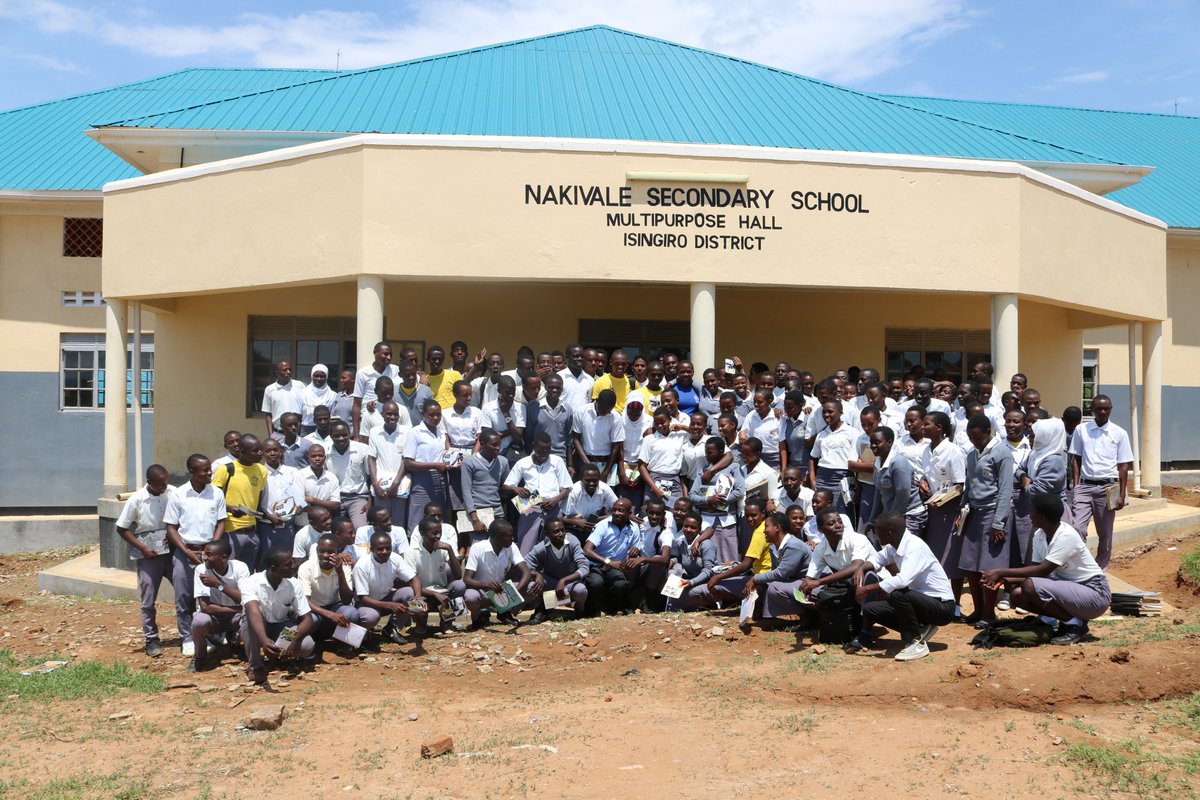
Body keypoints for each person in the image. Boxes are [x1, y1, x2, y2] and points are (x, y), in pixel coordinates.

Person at [984, 494, 1111, 645]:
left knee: (1029, 585)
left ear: (1042, 517)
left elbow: (1041, 571)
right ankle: (1062, 621)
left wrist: (1000, 572)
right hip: (1073, 591)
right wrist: (1004, 579)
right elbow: (1035, 572)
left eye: (1032, 511)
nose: (1029, 515)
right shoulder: (1039, 535)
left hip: (1095, 594)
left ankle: (1075, 625)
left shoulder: (1066, 535)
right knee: (1017, 595)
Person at [850, 511, 955, 660]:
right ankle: (919, 628)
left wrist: (866, 588)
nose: (876, 535)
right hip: (919, 603)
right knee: (871, 609)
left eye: (878, 531)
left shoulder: (914, 546)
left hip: (942, 606)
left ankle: (916, 643)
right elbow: (877, 559)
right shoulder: (894, 545)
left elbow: (902, 580)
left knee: (898, 594)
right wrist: (861, 568)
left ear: (890, 533)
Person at [165, 454, 227, 657]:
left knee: (211, 596)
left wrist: (212, 548)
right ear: (192, 472)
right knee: (184, 598)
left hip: (210, 554)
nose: (210, 473)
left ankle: (211, 633)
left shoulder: (216, 493)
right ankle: (188, 638)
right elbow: (171, 527)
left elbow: (221, 522)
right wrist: (185, 551)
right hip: (185, 552)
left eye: (210, 469)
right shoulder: (179, 494)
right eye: (204, 470)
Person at [959, 413, 1015, 628]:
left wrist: (998, 523)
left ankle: (989, 613)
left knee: (989, 568)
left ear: (987, 432)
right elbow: (969, 484)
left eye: (977, 437)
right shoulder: (972, 454)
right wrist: (962, 510)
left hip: (993, 514)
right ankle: (978, 609)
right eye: (970, 437)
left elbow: (1005, 490)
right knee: (970, 566)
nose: (974, 441)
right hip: (974, 514)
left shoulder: (1002, 453)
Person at [115, 464, 174, 657]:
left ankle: (189, 633)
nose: (164, 486)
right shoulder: (137, 500)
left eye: (166, 482)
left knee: (185, 592)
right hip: (149, 555)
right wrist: (143, 548)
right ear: (149, 482)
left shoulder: (172, 493)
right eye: (160, 484)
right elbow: (122, 528)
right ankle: (151, 638)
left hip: (172, 552)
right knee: (148, 599)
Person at [1069, 394, 1132, 570]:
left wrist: (1121, 494)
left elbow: (1123, 465)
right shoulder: (1081, 430)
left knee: (1105, 534)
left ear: (1111, 409)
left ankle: (1100, 569)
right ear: (1092, 410)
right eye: (1099, 409)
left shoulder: (1119, 433)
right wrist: (1076, 485)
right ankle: (1081, 566)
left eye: (1106, 408)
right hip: (1084, 487)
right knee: (1077, 528)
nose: (1103, 412)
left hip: (1107, 488)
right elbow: (1076, 459)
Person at [238, 547, 317, 685]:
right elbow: (253, 612)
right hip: (257, 626)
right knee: (251, 618)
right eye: (288, 564)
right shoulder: (251, 582)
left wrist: (292, 640)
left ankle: (277, 655)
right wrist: (264, 640)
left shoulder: (294, 584)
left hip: (279, 625)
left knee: (307, 645)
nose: (293, 566)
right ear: (273, 569)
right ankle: (255, 666)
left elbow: (308, 619)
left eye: (292, 562)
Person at [687, 500, 772, 612]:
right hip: (760, 576)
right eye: (747, 515)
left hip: (760, 581)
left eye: (753, 515)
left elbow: (745, 565)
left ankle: (749, 604)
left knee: (697, 591)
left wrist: (718, 577)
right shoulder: (762, 528)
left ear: (763, 514)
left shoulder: (759, 533)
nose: (749, 519)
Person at [922, 411, 967, 618]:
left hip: (950, 509)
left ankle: (956, 604)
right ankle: (938, 598)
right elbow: (925, 475)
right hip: (933, 510)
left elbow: (959, 485)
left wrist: (939, 500)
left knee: (952, 556)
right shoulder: (926, 450)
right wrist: (923, 482)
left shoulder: (953, 451)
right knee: (935, 556)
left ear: (939, 427)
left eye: (927, 424)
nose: (923, 427)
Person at [503, 432, 573, 553]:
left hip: (552, 506)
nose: (544, 454)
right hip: (530, 506)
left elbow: (567, 487)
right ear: (533, 446)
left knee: (552, 545)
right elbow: (505, 486)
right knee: (526, 545)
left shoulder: (557, 461)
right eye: (540, 451)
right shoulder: (523, 463)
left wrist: (555, 500)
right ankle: (525, 565)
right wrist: (517, 489)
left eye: (547, 450)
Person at [189, 538, 249, 672]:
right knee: (199, 622)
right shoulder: (201, 569)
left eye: (209, 554)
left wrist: (217, 584)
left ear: (224, 557)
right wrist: (239, 609)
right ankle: (200, 655)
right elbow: (206, 607)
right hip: (214, 617)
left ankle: (237, 645)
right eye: (204, 553)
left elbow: (244, 598)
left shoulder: (240, 567)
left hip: (233, 617)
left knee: (250, 617)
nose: (204, 557)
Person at [211, 434, 268, 570]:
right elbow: (211, 500)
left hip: (252, 532)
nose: (260, 453)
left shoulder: (262, 470)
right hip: (230, 531)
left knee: (247, 574)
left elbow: (257, 499)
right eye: (255, 451)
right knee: (228, 571)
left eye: (260, 449)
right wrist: (230, 508)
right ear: (242, 451)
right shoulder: (226, 469)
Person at [298, 532, 360, 656]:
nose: (325, 555)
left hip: (334, 606)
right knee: (311, 619)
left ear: (338, 552)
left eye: (331, 552)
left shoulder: (344, 567)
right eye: (321, 551)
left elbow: (347, 600)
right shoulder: (306, 567)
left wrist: (340, 573)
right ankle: (311, 644)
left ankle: (343, 643)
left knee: (351, 613)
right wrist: (330, 614)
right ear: (316, 550)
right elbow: (304, 601)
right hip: (314, 610)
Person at [353, 531, 421, 644]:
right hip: (366, 605)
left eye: (388, 548)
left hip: (386, 597)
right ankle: (362, 636)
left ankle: (391, 629)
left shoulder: (395, 558)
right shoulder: (362, 565)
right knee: (371, 616)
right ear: (371, 549)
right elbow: (363, 598)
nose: (385, 552)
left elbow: (414, 579)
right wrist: (390, 605)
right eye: (380, 549)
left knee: (410, 592)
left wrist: (418, 598)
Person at [463, 519, 535, 626]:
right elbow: (467, 579)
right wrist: (487, 584)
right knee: (470, 597)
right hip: (482, 591)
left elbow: (526, 573)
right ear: (497, 537)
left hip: (502, 591)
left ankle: (505, 612)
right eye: (509, 536)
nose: (512, 538)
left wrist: (514, 594)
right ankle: (480, 613)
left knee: (532, 587)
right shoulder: (477, 548)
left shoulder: (511, 547)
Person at [750, 511, 813, 626]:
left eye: (766, 526)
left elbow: (782, 573)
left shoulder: (793, 545)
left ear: (777, 527)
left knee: (775, 587)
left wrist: (755, 578)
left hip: (814, 584)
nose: (764, 531)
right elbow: (776, 573)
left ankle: (807, 617)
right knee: (766, 585)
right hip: (799, 582)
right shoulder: (773, 547)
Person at [581, 497, 643, 616]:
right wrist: (609, 562)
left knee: (620, 584)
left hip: (616, 566)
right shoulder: (603, 525)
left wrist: (635, 550)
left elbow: (634, 548)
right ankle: (592, 612)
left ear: (629, 513)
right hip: (596, 564)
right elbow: (587, 550)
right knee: (596, 583)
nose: (616, 513)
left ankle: (611, 612)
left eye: (620, 510)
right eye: (614, 510)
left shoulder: (634, 528)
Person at [689, 437, 745, 562]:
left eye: (710, 452)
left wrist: (720, 500)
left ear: (721, 451)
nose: (707, 455)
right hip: (706, 520)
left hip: (726, 521)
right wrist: (708, 499)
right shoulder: (703, 470)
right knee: (708, 557)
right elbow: (692, 496)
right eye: (706, 452)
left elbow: (739, 491)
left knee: (728, 558)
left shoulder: (733, 467)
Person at [405, 516, 465, 634]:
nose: (438, 536)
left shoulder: (443, 548)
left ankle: (447, 623)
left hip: (442, 592)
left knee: (459, 585)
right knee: (412, 597)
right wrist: (434, 594)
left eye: (440, 532)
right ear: (422, 533)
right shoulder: (411, 551)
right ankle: (420, 624)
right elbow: (410, 583)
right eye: (434, 533)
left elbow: (458, 575)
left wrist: (450, 549)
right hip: (421, 593)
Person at [865, 427, 926, 539]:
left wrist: (890, 520)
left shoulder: (898, 463)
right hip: (893, 515)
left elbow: (903, 493)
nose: (873, 446)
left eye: (877, 442)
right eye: (871, 442)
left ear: (889, 443)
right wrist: (872, 519)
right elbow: (879, 493)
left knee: (904, 547)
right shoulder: (877, 463)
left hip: (909, 514)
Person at [525, 518, 589, 622]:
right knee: (531, 586)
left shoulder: (572, 541)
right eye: (556, 532)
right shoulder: (541, 547)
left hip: (569, 584)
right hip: (551, 583)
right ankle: (541, 608)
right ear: (547, 534)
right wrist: (537, 574)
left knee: (580, 590)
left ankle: (579, 610)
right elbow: (524, 566)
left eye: (563, 530)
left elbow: (585, 567)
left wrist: (564, 580)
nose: (561, 534)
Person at [403, 399, 451, 532]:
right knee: (418, 515)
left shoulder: (441, 433)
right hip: (422, 479)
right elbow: (408, 463)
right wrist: (434, 465)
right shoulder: (415, 433)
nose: (435, 418)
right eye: (431, 415)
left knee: (438, 517)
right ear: (423, 414)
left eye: (438, 414)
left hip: (441, 479)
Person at [808, 399, 857, 514]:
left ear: (840, 412)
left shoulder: (852, 432)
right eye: (824, 412)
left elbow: (855, 461)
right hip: (823, 478)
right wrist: (813, 480)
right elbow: (812, 457)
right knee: (822, 513)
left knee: (841, 513)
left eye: (830, 412)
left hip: (842, 479)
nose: (826, 415)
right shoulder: (822, 434)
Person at [259, 438, 305, 560]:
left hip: (287, 525)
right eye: (268, 451)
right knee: (267, 558)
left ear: (281, 452)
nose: (272, 453)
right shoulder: (259, 473)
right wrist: (269, 516)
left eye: (275, 450)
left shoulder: (292, 472)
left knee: (287, 558)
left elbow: (297, 496)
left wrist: (297, 508)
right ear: (262, 453)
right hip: (266, 525)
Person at [460, 429, 509, 542]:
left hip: (497, 512)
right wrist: (474, 518)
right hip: (479, 513)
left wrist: (516, 489)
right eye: (494, 445)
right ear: (482, 444)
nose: (498, 448)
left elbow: (505, 486)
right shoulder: (469, 462)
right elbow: (466, 490)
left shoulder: (503, 461)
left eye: (499, 444)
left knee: (499, 546)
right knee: (479, 547)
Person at [638, 406, 690, 510]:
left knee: (676, 512)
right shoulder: (649, 439)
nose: (660, 426)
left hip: (674, 481)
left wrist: (682, 427)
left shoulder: (679, 436)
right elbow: (641, 466)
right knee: (652, 512)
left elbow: (698, 431)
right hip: (654, 480)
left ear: (670, 420)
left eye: (663, 422)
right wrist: (654, 487)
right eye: (656, 423)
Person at [572, 389, 624, 485]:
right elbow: (576, 438)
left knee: (605, 493)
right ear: (597, 400)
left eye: (608, 411)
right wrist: (587, 464)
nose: (605, 413)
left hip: (607, 462)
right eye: (603, 410)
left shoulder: (616, 417)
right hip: (584, 460)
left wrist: (605, 473)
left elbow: (616, 446)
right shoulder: (582, 411)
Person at [670, 510, 719, 611]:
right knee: (673, 570)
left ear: (699, 529)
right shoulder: (680, 543)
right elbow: (679, 559)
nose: (688, 530)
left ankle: (708, 605)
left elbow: (709, 570)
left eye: (693, 527)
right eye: (686, 526)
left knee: (692, 594)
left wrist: (692, 582)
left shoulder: (706, 545)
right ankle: (673, 608)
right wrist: (672, 561)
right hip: (689, 579)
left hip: (706, 582)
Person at [327, 421, 372, 528]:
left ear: (349, 433)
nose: (341, 438)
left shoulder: (362, 449)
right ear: (330, 436)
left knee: (361, 528)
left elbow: (371, 477)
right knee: (333, 530)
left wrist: (370, 502)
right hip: (335, 499)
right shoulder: (325, 451)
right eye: (336, 436)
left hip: (358, 498)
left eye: (344, 435)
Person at [352, 342, 399, 437]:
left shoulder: (395, 370)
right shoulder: (363, 373)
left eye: (391, 354)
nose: (389, 357)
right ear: (375, 353)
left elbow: (411, 372)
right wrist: (356, 435)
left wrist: (422, 375)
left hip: (391, 418)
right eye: (386, 354)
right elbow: (357, 403)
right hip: (369, 418)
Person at [563, 463, 618, 537]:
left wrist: (598, 519)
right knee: (573, 541)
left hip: (594, 527)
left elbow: (618, 506)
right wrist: (577, 522)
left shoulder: (604, 488)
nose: (591, 483)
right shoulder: (574, 491)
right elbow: (561, 518)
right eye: (587, 480)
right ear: (581, 479)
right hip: (574, 528)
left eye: (595, 480)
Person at [481, 375, 525, 461]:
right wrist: (511, 431)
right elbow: (487, 436)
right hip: (493, 450)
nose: (511, 396)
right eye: (508, 393)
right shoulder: (488, 408)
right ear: (499, 390)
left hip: (513, 449)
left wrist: (506, 413)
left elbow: (517, 436)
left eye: (513, 392)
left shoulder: (520, 407)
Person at [296, 443, 340, 529]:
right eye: (313, 456)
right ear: (308, 458)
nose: (317, 458)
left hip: (325, 525)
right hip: (303, 524)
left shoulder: (332, 477)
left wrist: (313, 500)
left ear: (325, 458)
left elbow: (335, 504)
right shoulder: (299, 475)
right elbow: (300, 505)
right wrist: (325, 505)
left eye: (320, 455)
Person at [262, 360, 306, 436]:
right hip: (278, 433)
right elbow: (268, 414)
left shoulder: (300, 386)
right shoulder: (269, 389)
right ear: (276, 373)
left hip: (297, 433)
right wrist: (271, 435)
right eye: (285, 370)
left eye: (290, 369)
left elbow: (305, 409)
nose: (288, 372)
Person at [300, 364, 337, 435]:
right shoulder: (303, 393)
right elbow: (298, 416)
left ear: (326, 377)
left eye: (322, 376)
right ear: (312, 376)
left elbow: (332, 416)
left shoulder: (333, 395)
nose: (319, 379)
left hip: (325, 430)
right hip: (306, 429)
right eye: (316, 376)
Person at [558, 344, 596, 410]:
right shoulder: (559, 377)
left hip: (583, 416)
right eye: (576, 356)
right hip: (564, 416)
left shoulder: (589, 379)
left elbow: (589, 402)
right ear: (567, 357)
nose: (580, 359)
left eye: (582, 356)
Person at [425, 345, 462, 410]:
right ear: (428, 360)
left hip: (454, 414)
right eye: (434, 359)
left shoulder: (455, 375)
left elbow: (462, 393)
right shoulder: (425, 381)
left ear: (443, 359)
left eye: (440, 359)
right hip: (437, 415)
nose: (437, 361)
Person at [329, 370, 357, 434]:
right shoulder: (338, 396)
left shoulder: (358, 398)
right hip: (337, 435)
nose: (341, 380)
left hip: (352, 435)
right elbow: (332, 416)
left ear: (353, 379)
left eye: (344, 378)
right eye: (341, 378)